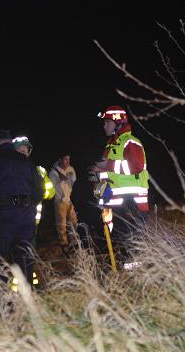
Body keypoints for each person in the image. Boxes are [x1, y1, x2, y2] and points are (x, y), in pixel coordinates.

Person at [0, 129, 44, 284]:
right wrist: (28, 205)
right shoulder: (26, 162)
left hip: (4, 218)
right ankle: (28, 300)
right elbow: (40, 188)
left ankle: (2, 303)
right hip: (26, 219)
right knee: (25, 261)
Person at [92, 106, 149, 267]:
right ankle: (124, 275)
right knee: (121, 242)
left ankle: (136, 279)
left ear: (117, 122)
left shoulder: (131, 142)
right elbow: (110, 172)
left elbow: (137, 166)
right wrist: (97, 172)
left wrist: (107, 165)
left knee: (133, 244)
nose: (104, 126)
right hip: (115, 202)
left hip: (132, 202)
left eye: (107, 122)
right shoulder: (110, 145)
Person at [12, 135, 54, 226]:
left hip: (31, 221)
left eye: (25, 151)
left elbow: (51, 193)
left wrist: (36, 194)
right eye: (19, 151)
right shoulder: (5, 170)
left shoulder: (39, 171)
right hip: (10, 221)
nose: (23, 154)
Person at [49, 154, 78, 254]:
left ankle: (74, 242)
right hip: (59, 201)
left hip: (68, 200)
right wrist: (60, 178)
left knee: (74, 222)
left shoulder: (70, 169)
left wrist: (67, 176)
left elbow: (73, 180)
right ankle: (64, 245)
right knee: (62, 225)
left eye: (69, 159)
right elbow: (53, 186)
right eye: (65, 160)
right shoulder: (53, 172)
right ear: (60, 160)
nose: (68, 162)